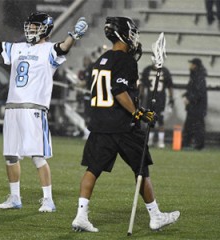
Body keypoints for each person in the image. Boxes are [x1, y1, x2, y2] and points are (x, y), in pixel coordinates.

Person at [0, 12, 88, 212]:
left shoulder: (49, 49)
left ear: (45, 29)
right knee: (10, 155)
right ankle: (15, 197)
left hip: (33, 108)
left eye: (35, 27)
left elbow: (64, 47)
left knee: (37, 156)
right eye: (30, 26)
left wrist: (74, 36)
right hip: (13, 107)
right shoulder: (18, 48)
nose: (30, 30)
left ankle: (48, 199)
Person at [71, 17, 180, 232]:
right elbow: (119, 91)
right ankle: (155, 216)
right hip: (122, 126)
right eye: (132, 33)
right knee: (142, 171)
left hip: (100, 125)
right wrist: (138, 113)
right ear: (124, 34)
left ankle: (80, 216)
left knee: (92, 169)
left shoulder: (101, 59)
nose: (134, 38)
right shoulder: (126, 61)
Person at [140, 64, 174, 148]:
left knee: (160, 120)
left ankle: (160, 141)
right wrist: (141, 95)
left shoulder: (164, 71)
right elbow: (142, 85)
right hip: (150, 99)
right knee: (149, 119)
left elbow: (170, 86)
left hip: (161, 99)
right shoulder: (147, 70)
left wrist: (171, 98)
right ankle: (150, 140)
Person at [182, 58, 208, 150]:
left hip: (198, 107)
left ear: (195, 65)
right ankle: (188, 144)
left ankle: (197, 145)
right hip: (193, 107)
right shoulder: (195, 76)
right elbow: (192, 89)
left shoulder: (199, 77)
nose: (190, 66)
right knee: (191, 125)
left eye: (191, 64)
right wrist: (186, 95)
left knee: (197, 126)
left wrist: (189, 99)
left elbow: (199, 93)